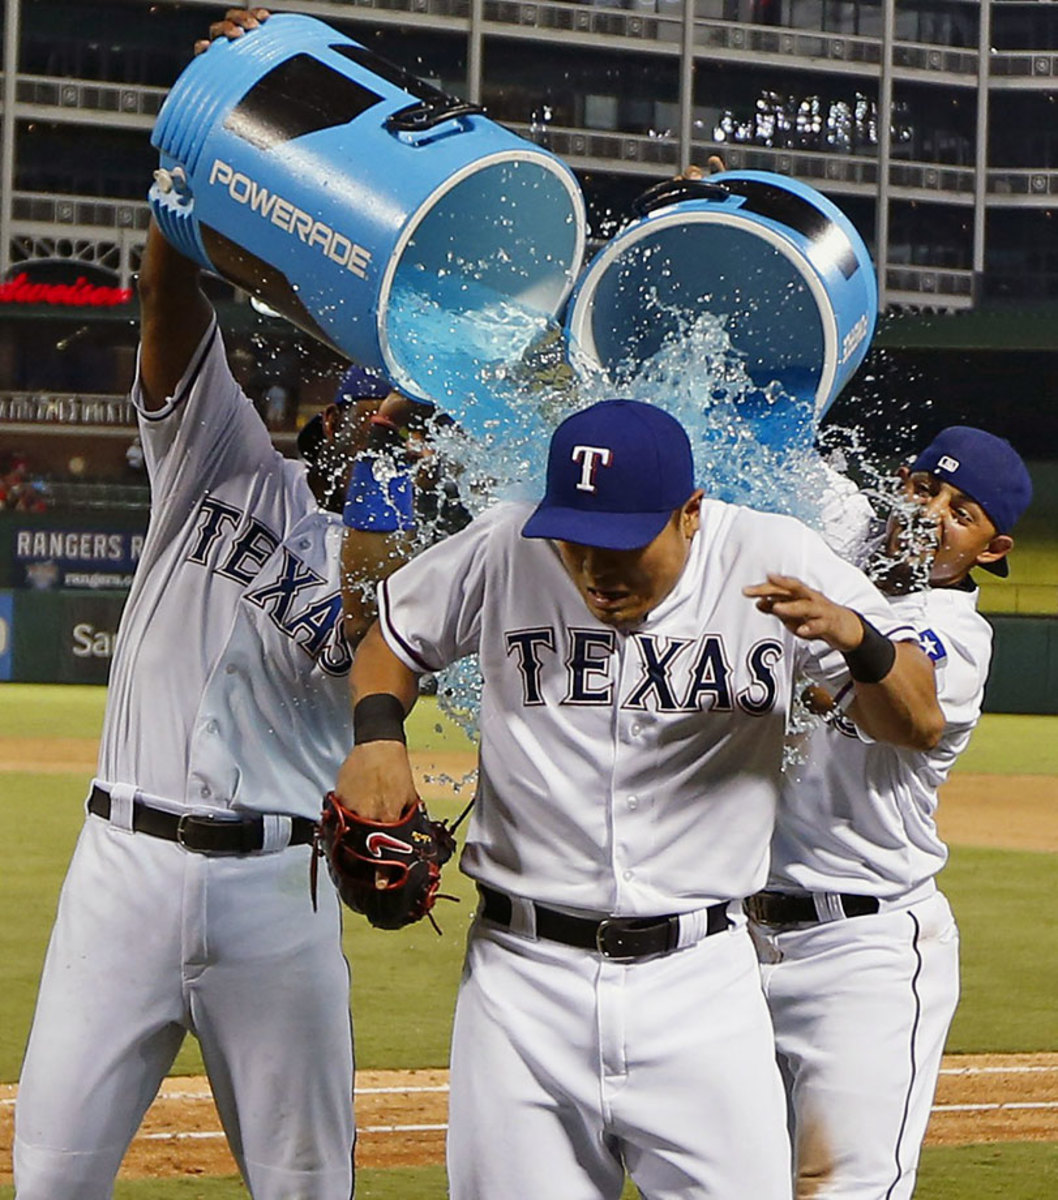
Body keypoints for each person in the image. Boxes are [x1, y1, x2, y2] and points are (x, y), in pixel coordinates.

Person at [333, 398, 944, 1200]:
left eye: (621, 544)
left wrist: (858, 639)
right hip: (521, 985)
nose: (594, 567)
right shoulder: (505, 545)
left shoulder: (773, 556)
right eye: (575, 541)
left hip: (703, 988)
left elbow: (919, 721)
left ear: (690, 513)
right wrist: (378, 735)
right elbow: (390, 641)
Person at [11, 11, 417, 1196]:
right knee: (49, 1178)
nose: (374, 426)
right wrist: (223, 112)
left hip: (278, 890)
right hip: (121, 868)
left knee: (304, 1186)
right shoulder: (224, 459)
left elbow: (366, 623)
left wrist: (391, 471)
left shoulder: (425, 563)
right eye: (361, 409)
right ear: (323, 409)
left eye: (396, 417)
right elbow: (172, 308)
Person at [748, 427, 1033, 1200]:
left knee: (839, 1189)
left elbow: (909, 715)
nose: (930, 513)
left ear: (991, 546)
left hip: (862, 951)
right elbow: (763, 436)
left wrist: (846, 628)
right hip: (733, 942)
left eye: (960, 511)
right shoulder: (838, 540)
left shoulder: (956, 635)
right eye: (922, 489)